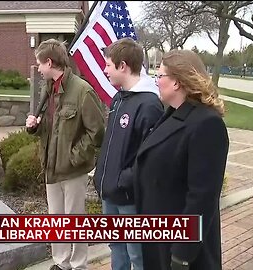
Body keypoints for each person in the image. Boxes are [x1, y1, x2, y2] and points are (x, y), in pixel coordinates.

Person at [129, 49, 229, 270]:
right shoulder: (171, 114)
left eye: (160, 76)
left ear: (177, 82)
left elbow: (202, 197)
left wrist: (183, 253)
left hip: (181, 249)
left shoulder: (206, 124)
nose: (156, 81)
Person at [25, 39, 105, 270]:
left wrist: (73, 157)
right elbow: (51, 128)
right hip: (51, 167)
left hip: (72, 170)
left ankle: (79, 265)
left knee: (74, 219)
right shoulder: (48, 89)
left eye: (39, 64)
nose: (38, 69)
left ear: (49, 62)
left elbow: (96, 132)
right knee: (56, 219)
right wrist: (34, 126)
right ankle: (62, 263)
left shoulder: (82, 91)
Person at [93, 38, 164, 270]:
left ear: (123, 66)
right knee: (116, 245)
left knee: (137, 253)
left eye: (108, 65)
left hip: (129, 197)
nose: (105, 70)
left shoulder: (149, 104)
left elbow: (150, 157)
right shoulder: (119, 98)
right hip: (110, 193)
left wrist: (123, 180)